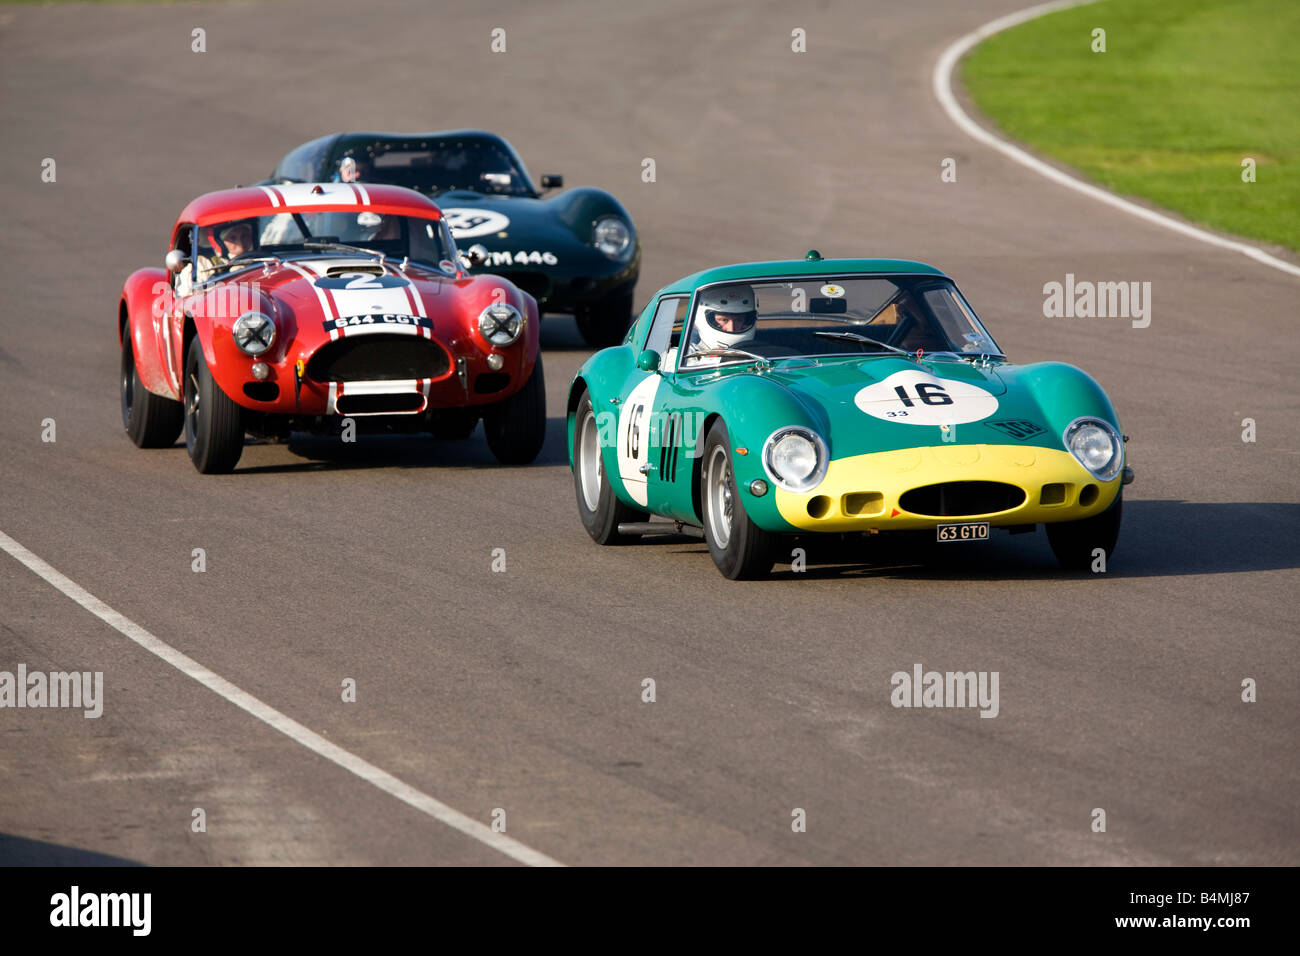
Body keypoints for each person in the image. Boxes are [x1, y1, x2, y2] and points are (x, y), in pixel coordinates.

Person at [684, 283, 759, 365]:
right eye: (723, 319)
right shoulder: (685, 355)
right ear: (701, 318)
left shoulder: (760, 355)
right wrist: (723, 360)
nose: (731, 328)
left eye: (739, 319)